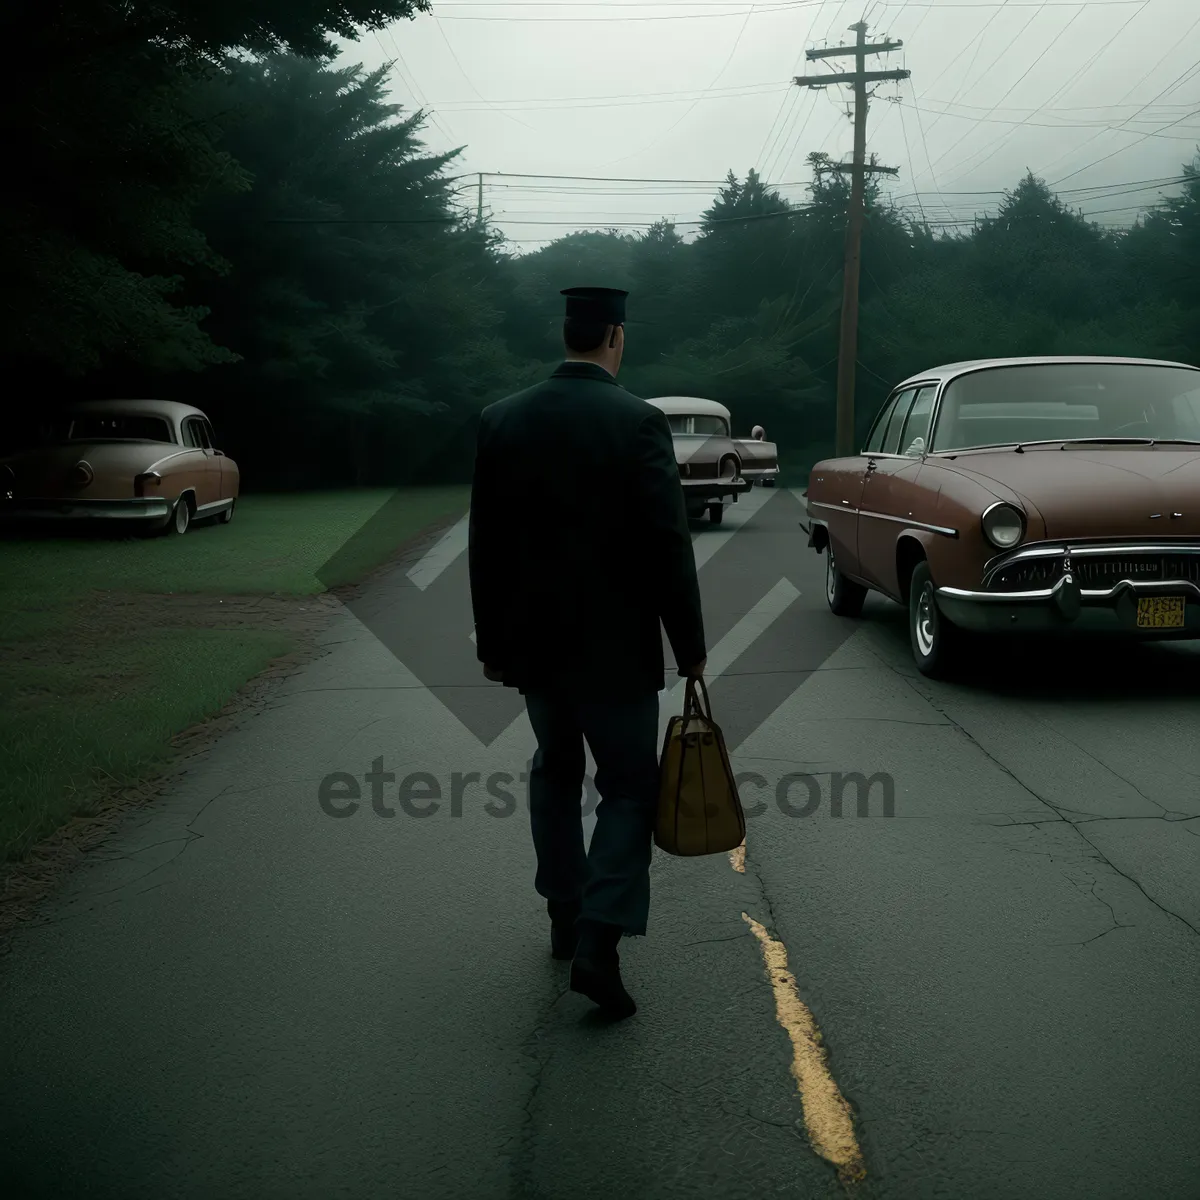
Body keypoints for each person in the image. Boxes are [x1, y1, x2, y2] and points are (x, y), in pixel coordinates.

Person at [468, 286, 707, 1019]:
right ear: (615, 337)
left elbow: (485, 546)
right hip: (616, 648)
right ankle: (600, 939)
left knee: (554, 768)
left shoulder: (501, 419)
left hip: (535, 648)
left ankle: (564, 914)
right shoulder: (637, 422)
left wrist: (493, 643)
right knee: (632, 787)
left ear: (568, 334)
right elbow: (667, 543)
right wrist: (689, 647)